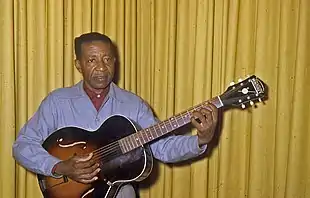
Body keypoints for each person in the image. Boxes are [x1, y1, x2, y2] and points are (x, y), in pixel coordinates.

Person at [12, 32, 218, 198]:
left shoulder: (133, 104)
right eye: (92, 60)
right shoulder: (57, 101)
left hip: (115, 191)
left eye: (107, 59)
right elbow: (22, 145)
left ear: (115, 61)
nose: (101, 67)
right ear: (78, 65)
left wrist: (201, 139)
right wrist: (59, 166)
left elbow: (162, 147)